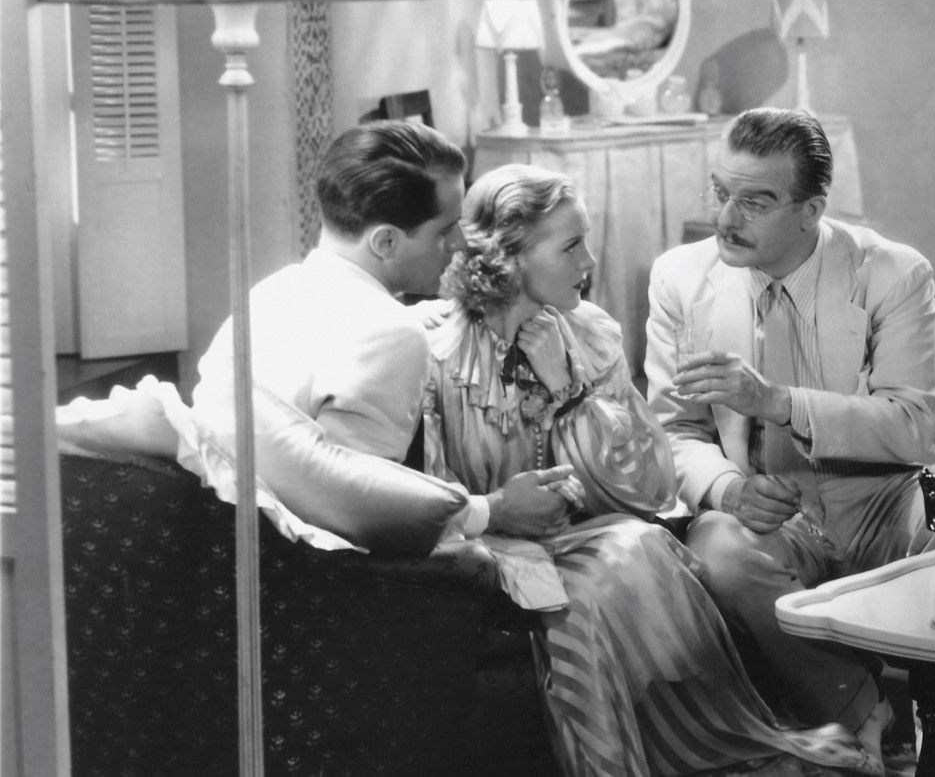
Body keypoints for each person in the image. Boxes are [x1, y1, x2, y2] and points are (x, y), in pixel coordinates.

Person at [413, 162, 866, 777]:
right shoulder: (434, 350)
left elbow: (650, 487)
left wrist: (571, 393)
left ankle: (700, 750)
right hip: (485, 547)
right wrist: (499, 510)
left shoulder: (589, 335)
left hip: (584, 536)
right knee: (592, 587)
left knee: (637, 546)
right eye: (570, 246)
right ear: (509, 257)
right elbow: (427, 496)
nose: (589, 261)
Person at [645, 107, 935, 776]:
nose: (725, 218)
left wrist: (778, 402)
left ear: (811, 209)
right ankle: (859, 710)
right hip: (769, 503)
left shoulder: (893, 272)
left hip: (887, 492)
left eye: (755, 201)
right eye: (720, 192)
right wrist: (728, 489)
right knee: (717, 549)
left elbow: (913, 425)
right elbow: (672, 431)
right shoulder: (680, 278)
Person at [189, 119, 467, 454]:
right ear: (386, 242)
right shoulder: (396, 335)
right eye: (445, 230)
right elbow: (360, 484)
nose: (460, 243)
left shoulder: (270, 294)